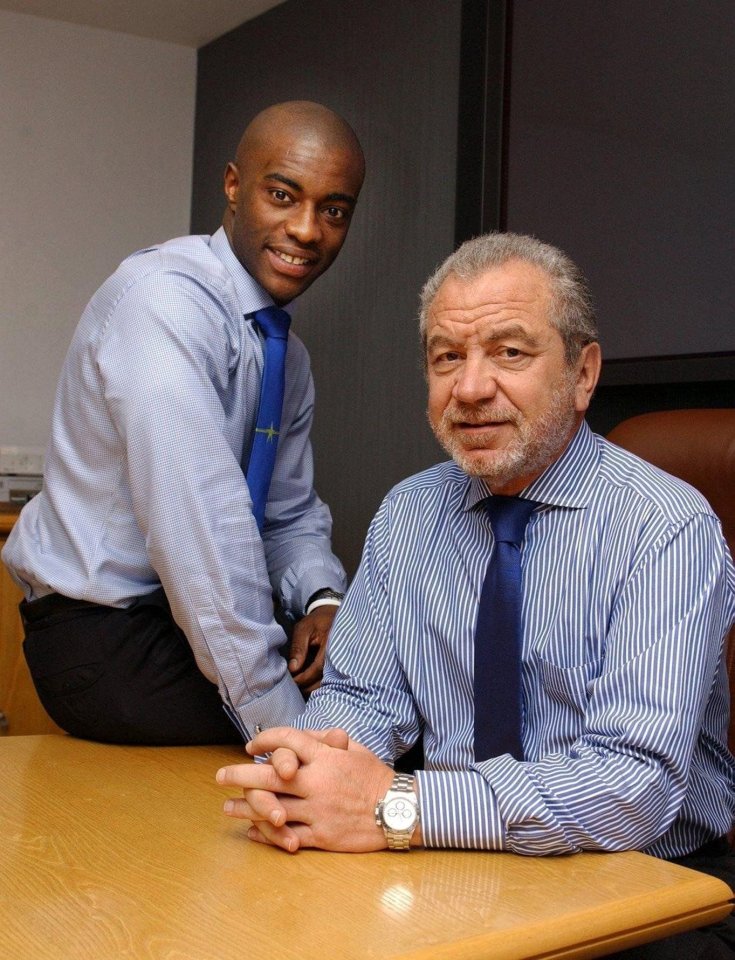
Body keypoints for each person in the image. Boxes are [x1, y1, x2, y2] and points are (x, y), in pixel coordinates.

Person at [216, 233, 735, 958]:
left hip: (649, 881)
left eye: (509, 353)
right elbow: (363, 701)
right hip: (448, 857)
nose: (468, 388)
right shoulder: (407, 513)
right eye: (445, 357)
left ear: (583, 374)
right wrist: (309, 777)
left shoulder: (664, 527)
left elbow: (632, 788)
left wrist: (394, 806)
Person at [2, 101, 366, 746]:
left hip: (189, 621)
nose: (307, 230)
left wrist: (321, 601)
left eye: (332, 210)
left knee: (387, 698)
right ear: (232, 186)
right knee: (359, 737)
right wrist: (294, 732)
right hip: (104, 640)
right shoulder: (165, 301)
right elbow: (203, 528)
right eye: (283, 195)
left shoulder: (288, 358)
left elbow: (286, 514)